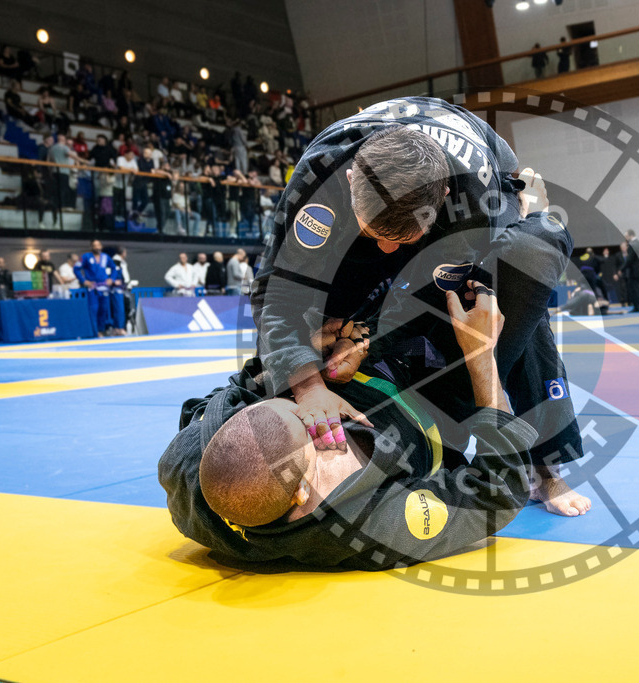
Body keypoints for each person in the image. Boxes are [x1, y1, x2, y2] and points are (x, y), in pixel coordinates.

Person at [252, 97, 590, 517]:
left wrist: (370, 334)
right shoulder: (320, 178)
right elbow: (277, 294)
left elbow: (511, 315)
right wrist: (306, 385)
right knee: (287, 358)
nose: (388, 250)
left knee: (516, 292)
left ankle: (545, 465)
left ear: (443, 197)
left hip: (474, 188)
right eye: (377, 234)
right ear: (352, 178)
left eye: (401, 241)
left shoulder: (478, 202)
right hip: (365, 199)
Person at [160, 280, 539, 570]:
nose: (315, 413)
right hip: (438, 403)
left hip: (360, 358)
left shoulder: (184, 467)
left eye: (293, 410)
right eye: (314, 431)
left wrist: (303, 369)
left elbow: (216, 402)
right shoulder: (363, 527)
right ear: (303, 493)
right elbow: (496, 493)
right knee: (521, 269)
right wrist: (480, 357)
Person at [76, 240, 124, 336]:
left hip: (104, 287)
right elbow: (76, 268)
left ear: (101, 246)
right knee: (94, 309)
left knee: (103, 309)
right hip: (92, 287)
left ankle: (101, 330)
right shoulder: (85, 257)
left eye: (98, 245)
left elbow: (114, 268)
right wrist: (84, 281)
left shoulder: (105, 257)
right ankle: (95, 332)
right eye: (94, 245)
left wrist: (112, 279)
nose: (97, 247)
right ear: (91, 247)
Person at [618, 230, 639, 312]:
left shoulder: (632, 245)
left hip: (633, 271)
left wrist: (621, 269)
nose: (626, 238)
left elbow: (629, 260)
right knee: (637, 288)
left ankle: (637, 307)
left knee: (634, 290)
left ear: (630, 235)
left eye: (626, 236)